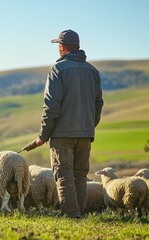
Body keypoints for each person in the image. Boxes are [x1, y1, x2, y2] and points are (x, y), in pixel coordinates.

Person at [32, 29, 104, 218]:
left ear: (62, 48)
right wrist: (89, 126)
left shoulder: (57, 70)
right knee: (80, 175)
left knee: (63, 174)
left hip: (62, 134)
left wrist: (43, 135)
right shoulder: (92, 71)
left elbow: (51, 106)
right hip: (85, 133)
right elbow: (98, 104)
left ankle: (72, 215)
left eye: (58, 46)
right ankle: (79, 213)